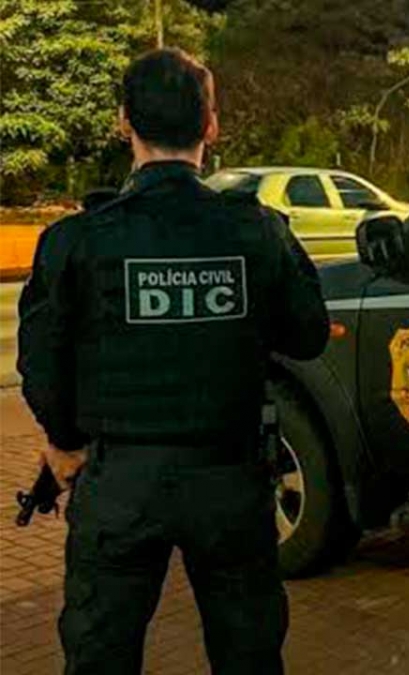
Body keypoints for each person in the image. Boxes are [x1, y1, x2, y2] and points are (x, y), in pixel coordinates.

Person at [17, 48, 329, 674]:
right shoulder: (258, 229)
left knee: (100, 656)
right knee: (248, 657)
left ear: (123, 122)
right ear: (210, 125)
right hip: (231, 481)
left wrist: (65, 443)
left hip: (119, 486)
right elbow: (308, 335)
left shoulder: (78, 238)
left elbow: (42, 363)